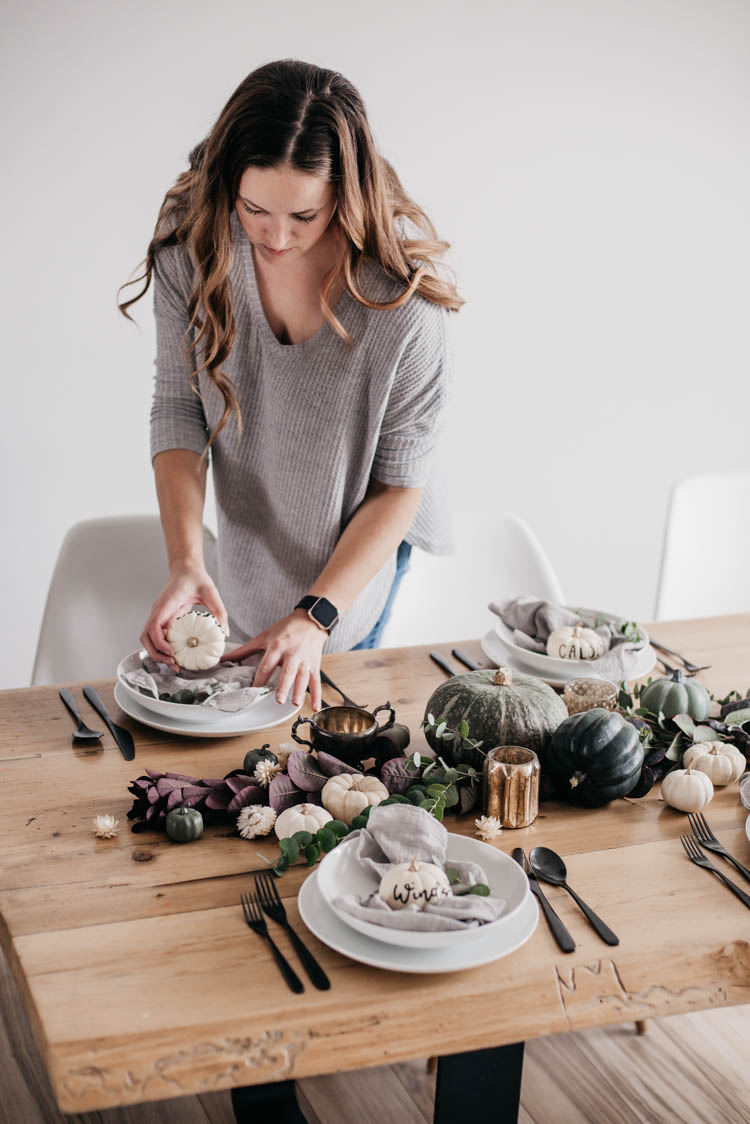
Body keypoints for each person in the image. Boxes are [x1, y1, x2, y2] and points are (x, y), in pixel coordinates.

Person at [120, 58, 463, 713]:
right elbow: (178, 412)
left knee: (327, 751)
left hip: (355, 562)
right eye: (254, 209)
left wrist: (315, 615)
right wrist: (187, 562)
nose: (276, 238)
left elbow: (399, 488)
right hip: (250, 547)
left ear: (345, 195)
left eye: (304, 216)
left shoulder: (407, 307)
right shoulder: (192, 248)